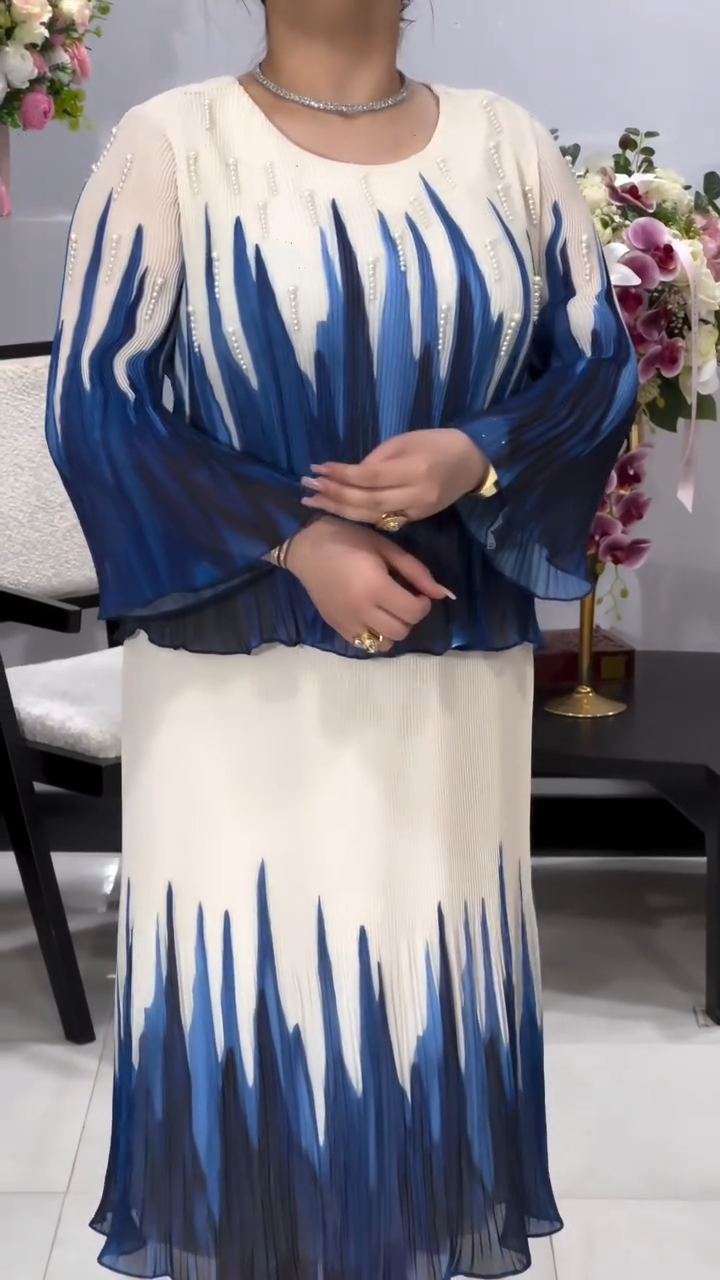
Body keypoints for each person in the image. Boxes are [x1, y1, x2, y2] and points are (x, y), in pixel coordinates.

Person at [46, 0, 638, 1274]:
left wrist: (481, 451)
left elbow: (597, 371)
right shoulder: (170, 144)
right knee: (245, 1011)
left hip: (446, 694)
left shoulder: (507, 146)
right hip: (235, 705)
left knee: (427, 986)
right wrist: (293, 538)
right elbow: (94, 408)